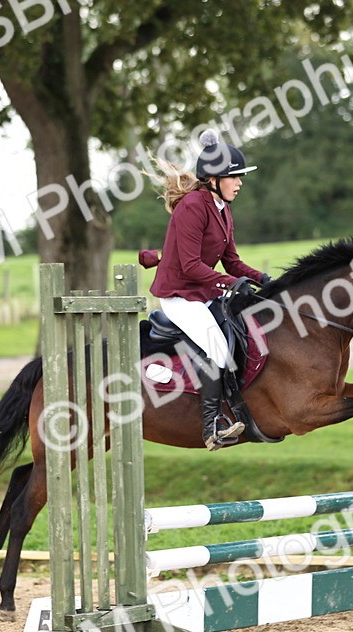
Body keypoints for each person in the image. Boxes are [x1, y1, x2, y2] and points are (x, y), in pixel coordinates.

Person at [141, 130, 271, 450]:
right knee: (217, 348)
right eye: (234, 177)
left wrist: (264, 279)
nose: (239, 183)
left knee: (242, 332)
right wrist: (231, 284)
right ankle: (211, 426)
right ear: (213, 179)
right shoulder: (193, 206)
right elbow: (189, 266)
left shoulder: (223, 209)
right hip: (178, 295)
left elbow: (232, 262)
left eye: (240, 177)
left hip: (204, 292)